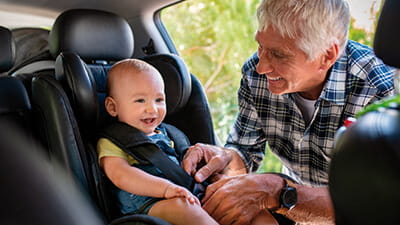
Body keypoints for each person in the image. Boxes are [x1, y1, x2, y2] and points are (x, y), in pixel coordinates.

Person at [182, 0, 395, 224]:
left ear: (326, 56)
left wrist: (277, 192)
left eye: (278, 54)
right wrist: (225, 158)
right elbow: (245, 152)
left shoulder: (380, 90)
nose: (261, 67)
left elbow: (377, 202)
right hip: (295, 211)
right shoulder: (255, 76)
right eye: (260, 46)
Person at [96, 59, 218, 225]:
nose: (152, 109)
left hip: (181, 193)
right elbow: (120, 175)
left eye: (159, 100)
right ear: (112, 107)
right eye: (140, 100)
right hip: (145, 204)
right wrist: (166, 188)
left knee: (238, 203)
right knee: (186, 209)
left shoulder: (169, 133)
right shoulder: (113, 141)